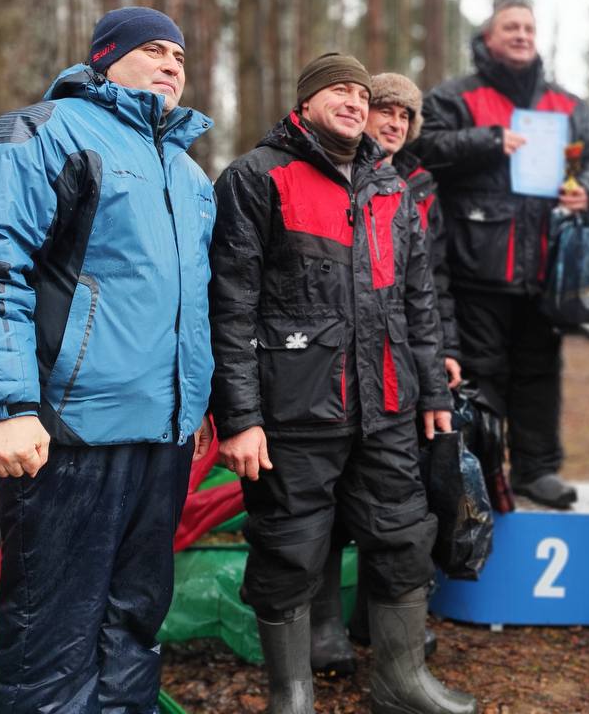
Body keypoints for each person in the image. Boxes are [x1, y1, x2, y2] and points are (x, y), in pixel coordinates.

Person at [0, 7, 215, 712]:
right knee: (53, 635)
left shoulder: (187, 175)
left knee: (134, 622)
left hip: (163, 435)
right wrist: (7, 407)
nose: (171, 65)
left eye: (180, 57)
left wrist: (199, 404)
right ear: (105, 57)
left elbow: (192, 301)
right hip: (68, 431)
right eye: (153, 50)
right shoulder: (34, 134)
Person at [208, 54, 475, 714]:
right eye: (339, 92)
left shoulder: (392, 190)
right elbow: (229, 304)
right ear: (306, 103)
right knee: (289, 549)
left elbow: (418, 301)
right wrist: (240, 418)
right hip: (293, 410)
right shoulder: (256, 178)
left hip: (387, 405)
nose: (355, 102)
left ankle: (400, 681)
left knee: (403, 536)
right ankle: (292, 693)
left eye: (362, 93)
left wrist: (433, 394)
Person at [413, 0, 589, 509]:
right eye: (510, 27)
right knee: (481, 376)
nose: (522, 34)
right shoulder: (456, 97)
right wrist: (488, 140)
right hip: (477, 264)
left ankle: (536, 471)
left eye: (528, 26)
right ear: (488, 39)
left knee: (541, 374)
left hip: (547, 267)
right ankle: (478, 474)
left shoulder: (566, 105)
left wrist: (588, 187)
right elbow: (424, 148)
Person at [310, 71, 461, 676]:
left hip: (399, 368)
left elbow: (432, 286)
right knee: (320, 505)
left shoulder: (417, 185)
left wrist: (441, 358)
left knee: (399, 501)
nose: (394, 123)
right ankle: (323, 627)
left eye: (406, 116)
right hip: (324, 373)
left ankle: (381, 620)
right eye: (386, 110)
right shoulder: (324, 176)